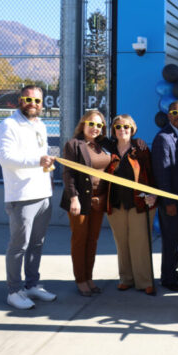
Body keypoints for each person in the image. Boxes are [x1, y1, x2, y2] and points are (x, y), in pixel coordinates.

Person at [0, 85, 57, 309]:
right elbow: (6, 159)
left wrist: (47, 176)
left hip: (43, 195)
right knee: (18, 245)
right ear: (20, 100)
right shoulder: (8, 125)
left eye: (38, 101)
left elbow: (43, 154)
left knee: (37, 244)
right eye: (28, 99)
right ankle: (14, 291)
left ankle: (32, 285)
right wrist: (37, 162)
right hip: (21, 196)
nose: (33, 104)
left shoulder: (40, 125)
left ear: (43, 103)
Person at [105, 114, 158, 296]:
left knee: (140, 242)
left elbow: (151, 173)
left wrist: (153, 194)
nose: (122, 130)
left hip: (139, 203)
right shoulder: (108, 149)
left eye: (126, 127)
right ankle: (126, 279)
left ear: (132, 129)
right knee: (122, 242)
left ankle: (144, 281)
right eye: (118, 127)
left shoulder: (140, 149)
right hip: (116, 203)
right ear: (113, 130)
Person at [61, 109, 111, 297]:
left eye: (99, 125)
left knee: (93, 240)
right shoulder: (74, 145)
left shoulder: (104, 145)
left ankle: (89, 277)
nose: (95, 128)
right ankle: (80, 279)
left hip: (99, 200)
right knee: (80, 240)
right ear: (83, 124)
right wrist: (74, 198)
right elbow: (68, 174)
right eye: (92, 124)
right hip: (80, 201)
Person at [151, 101, 178, 292]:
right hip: (171, 201)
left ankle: (173, 271)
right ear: (168, 115)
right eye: (175, 113)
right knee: (170, 239)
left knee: (177, 237)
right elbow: (162, 173)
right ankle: (167, 278)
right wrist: (168, 202)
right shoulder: (163, 138)